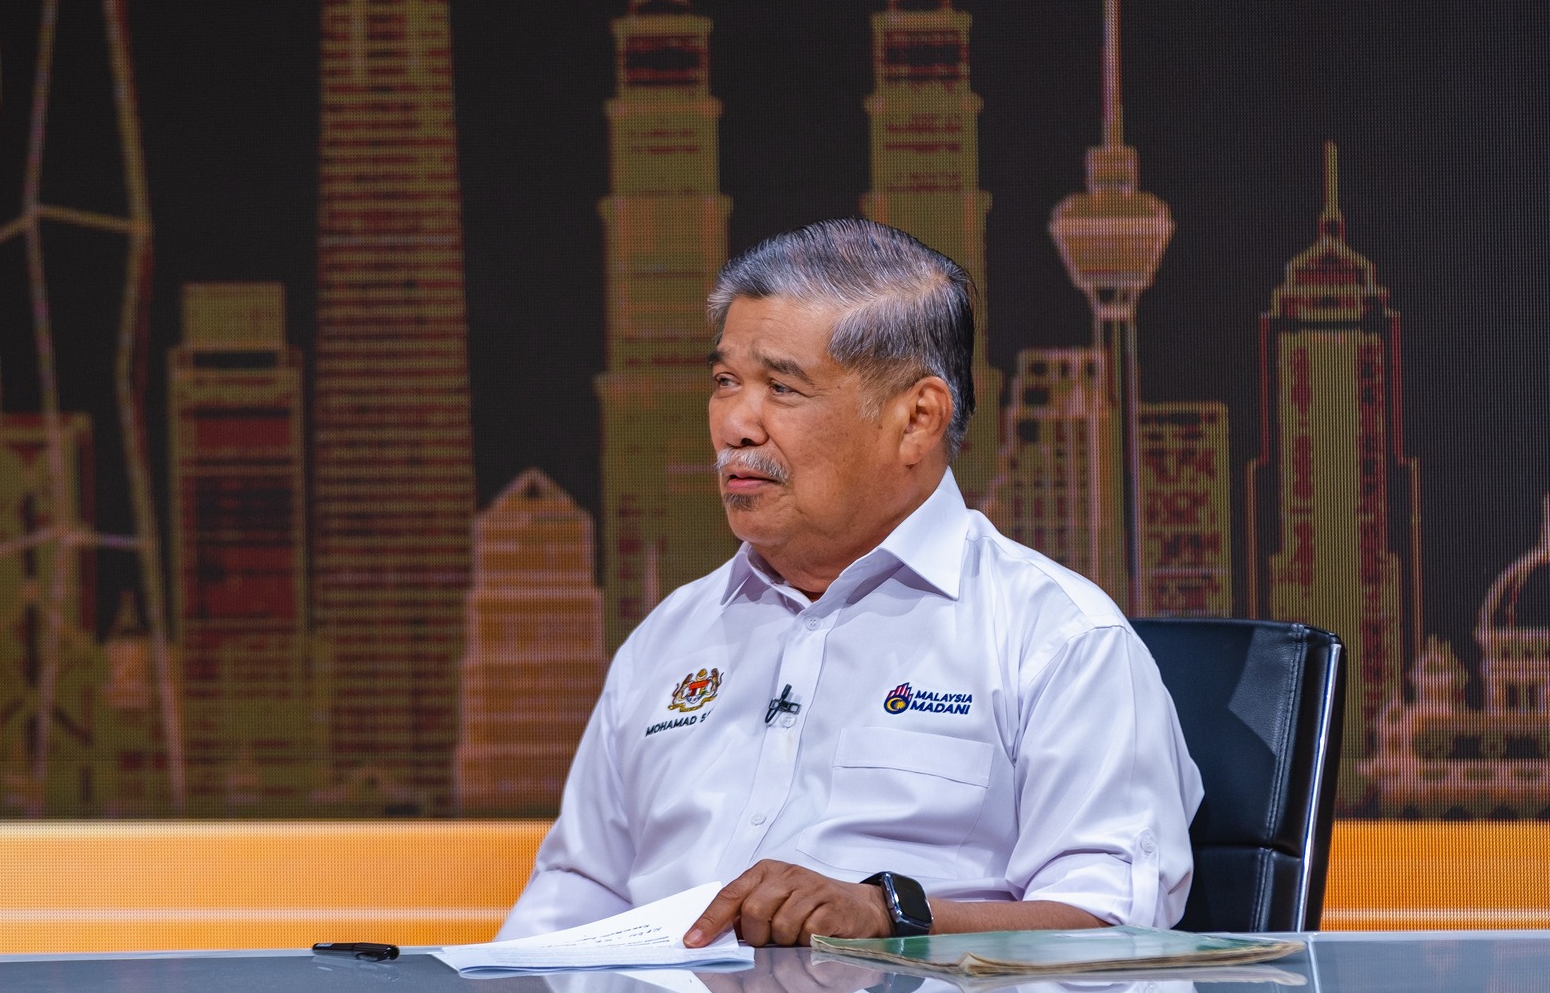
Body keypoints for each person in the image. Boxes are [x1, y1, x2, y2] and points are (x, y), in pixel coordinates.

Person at [497, 219, 1202, 947]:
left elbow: (1113, 928)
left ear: (916, 419)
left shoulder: (1057, 638)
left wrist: (890, 916)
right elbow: (570, 904)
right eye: (725, 382)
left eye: (782, 387)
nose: (735, 424)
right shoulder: (668, 637)